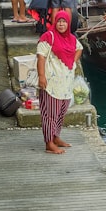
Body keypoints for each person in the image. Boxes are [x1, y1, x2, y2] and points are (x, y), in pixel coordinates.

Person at [35, 9, 82, 154]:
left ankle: (56, 137)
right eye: (59, 21)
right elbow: (41, 57)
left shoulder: (72, 39)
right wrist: (42, 76)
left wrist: (72, 63)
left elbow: (79, 49)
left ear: (68, 24)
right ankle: (49, 143)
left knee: (61, 112)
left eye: (64, 22)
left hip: (66, 83)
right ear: (55, 22)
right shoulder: (48, 37)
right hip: (51, 82)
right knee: (50, 114)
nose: (61, 24)